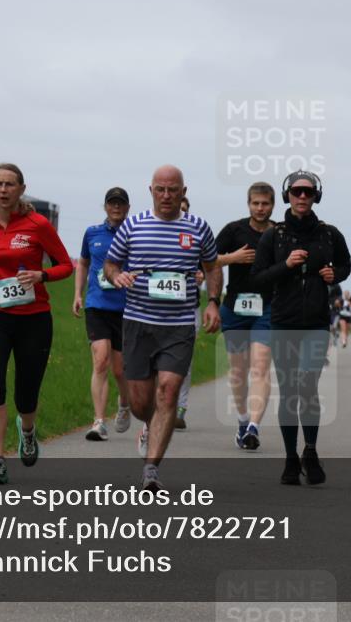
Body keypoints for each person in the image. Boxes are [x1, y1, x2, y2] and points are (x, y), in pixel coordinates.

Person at [103, 165, 222, 491]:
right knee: (142, 402)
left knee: (168, 392)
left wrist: (213, 301)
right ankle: (148, 423)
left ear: (183, 192)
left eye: (173, 190)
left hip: (179, 325)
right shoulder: (133, 225)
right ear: (151, 190)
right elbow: (111, 264)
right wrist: (118, 276)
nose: (167, 195)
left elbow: (212, 268)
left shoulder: (198, 228)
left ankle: (151, 469)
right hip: (139, 323)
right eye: (161, 189)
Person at [0, 163, 74, 484]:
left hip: (34, 319)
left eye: (9, 184)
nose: (3, 190)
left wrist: (42, 275)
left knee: (26, 394)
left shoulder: (38, 224)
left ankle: (27, 432)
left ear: (21, 189)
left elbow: (65, 265)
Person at [251, 170, 351, 485]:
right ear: (288, 196)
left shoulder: (329, 234)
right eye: (297, 192)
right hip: (283, 322)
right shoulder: (274, 235)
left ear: (316, 196)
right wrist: (286, 265)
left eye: (308, 192)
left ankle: (310, 449)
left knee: (307, 384)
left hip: (317, 323)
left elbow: (345, 264)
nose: (303, 197)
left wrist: (335, 275)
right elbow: (257, 278)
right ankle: (291, 458)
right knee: (290, 392)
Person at [214, 181, 275, 450]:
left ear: (273, 205)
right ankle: (242, 420)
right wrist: (233, 258)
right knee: (238, 371)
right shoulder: (233, 230)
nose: (260, 208)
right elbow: (207, 259)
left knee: (260, 367)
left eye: (265, 203)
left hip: (268, 308)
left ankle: (254, 426)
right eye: (256, 203)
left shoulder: (279, 233)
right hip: (235, 308)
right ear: (248, 204)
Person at [72, 187, 133, 441]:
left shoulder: (134, 234)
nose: (116, 207)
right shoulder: (92, 233)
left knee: (120, 370)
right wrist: (78, 294)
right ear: (105, 206)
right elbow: (83, 263)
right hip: (96, 304)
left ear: (127, 208)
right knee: (100, 361)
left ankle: (124, 405)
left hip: (125, 308)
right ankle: (98, 422)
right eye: (112, 203)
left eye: (120, 204)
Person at [173, 196, 204, 431]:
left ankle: (180, 409)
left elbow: (210, 265)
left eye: (183, 209)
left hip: (188, 308)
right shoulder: (154, 233)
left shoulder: (196, 235)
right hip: (158, 308)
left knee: (185, 360)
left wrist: (201, 276)